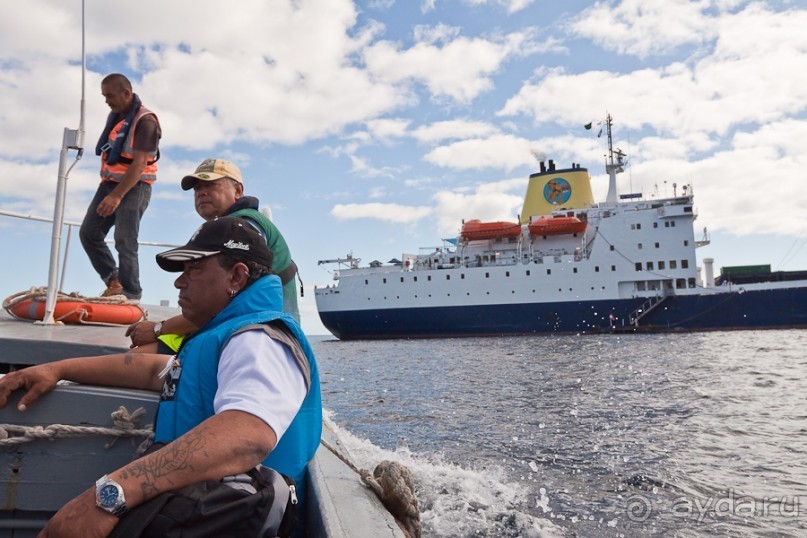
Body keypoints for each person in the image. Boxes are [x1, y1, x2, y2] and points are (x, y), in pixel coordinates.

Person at [0, 217, 322, 536]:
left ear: (236, 276)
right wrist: (57, 369)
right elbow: (156, 370)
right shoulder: (222, 335)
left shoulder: (259, 340)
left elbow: (248, 434)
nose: (179, 282)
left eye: (194, 268)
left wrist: (110, 495)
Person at [126, 158, 300, 352]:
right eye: (197, 188)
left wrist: (159, 329)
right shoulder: (231, 226)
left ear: (238, 191)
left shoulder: (242, 229)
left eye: (211, 184)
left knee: (140, 356)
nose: (201, 192)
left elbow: (220, 306)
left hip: (261, 339)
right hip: (252, 330)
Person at [80, 73, 161, 301]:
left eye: (109, 95)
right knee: (89, 233)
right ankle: (114, 282)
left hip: (135, 186)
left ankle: (131, 293)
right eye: (104, 96)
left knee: (125, 239)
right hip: (108, 184)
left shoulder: (146, 122)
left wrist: (116, 196)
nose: (106, 100)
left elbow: (138, 165)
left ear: (126, 93)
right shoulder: (117, 116)